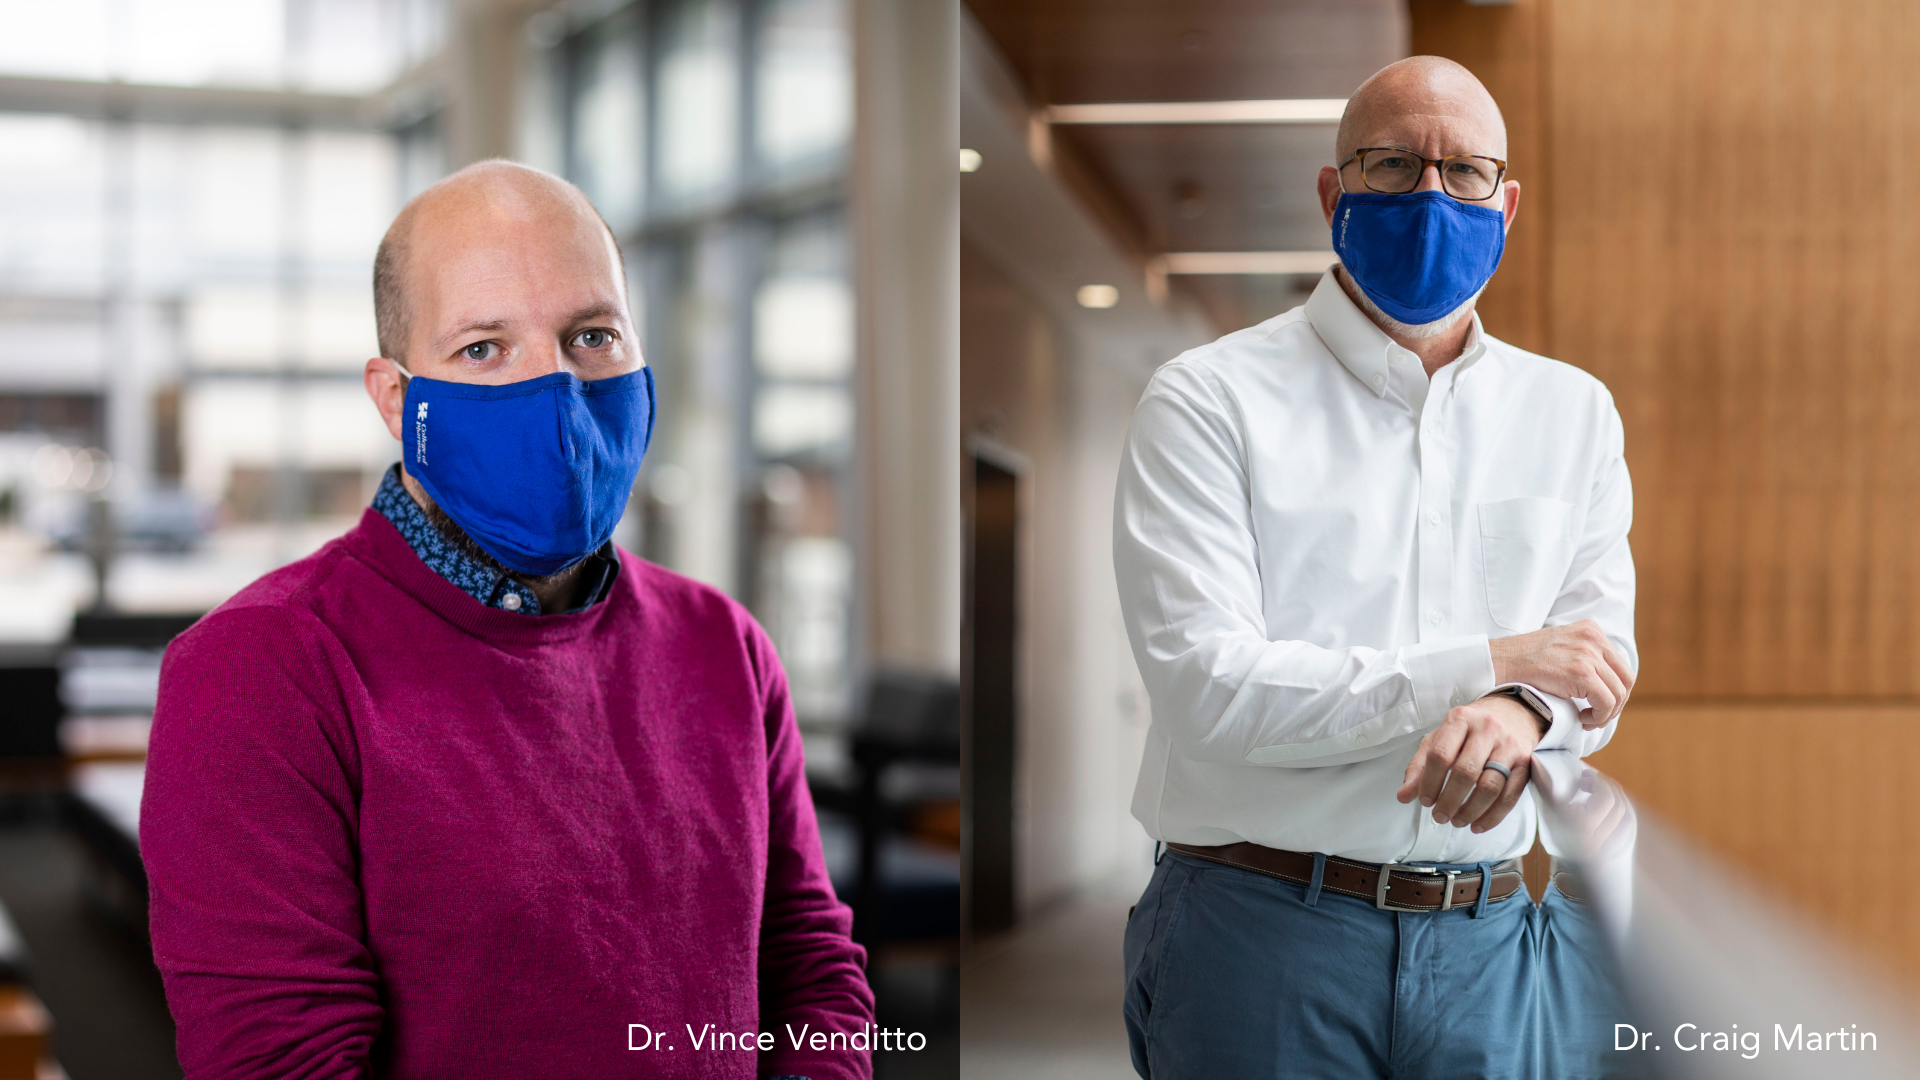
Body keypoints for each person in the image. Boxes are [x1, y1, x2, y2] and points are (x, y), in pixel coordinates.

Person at [140, 161, 873, 1079]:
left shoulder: (724, 644)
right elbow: (283, 1062)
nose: (558, 390)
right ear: (398, 400)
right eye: (483, 348)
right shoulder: (260, 671)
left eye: (592, 335)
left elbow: (810, 970)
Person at [1113, 57, 1636, 1078]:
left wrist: (1517, 708)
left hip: (1488, 943)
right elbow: (1208, 691)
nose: (1433, 197)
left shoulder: (1572, 412)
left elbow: (1593, 669)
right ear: (1332, 191)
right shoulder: (1208, 400)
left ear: (1508, 200)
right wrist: (1487, 662)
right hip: (1258, 934)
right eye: (1393, 165)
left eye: (1466, 172)